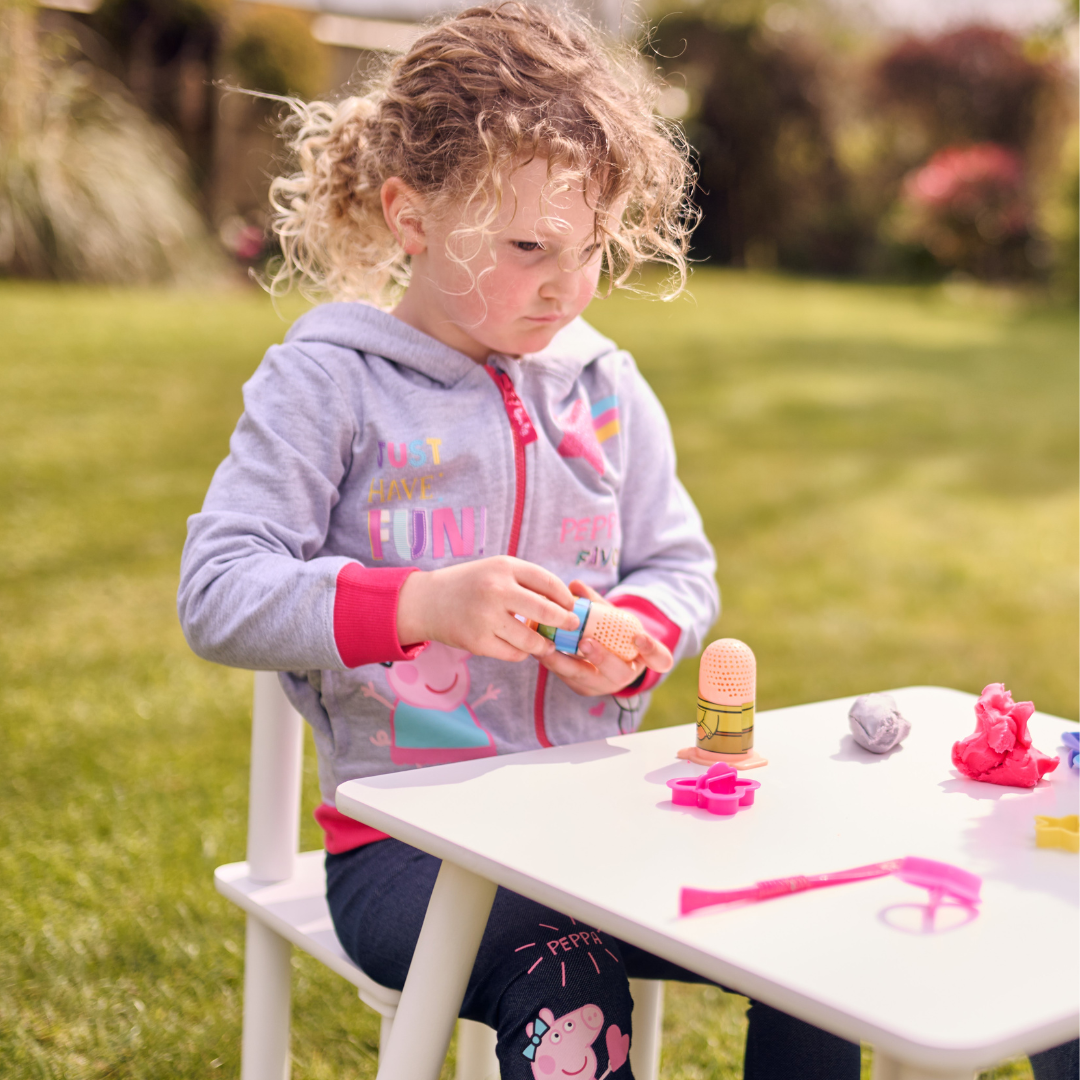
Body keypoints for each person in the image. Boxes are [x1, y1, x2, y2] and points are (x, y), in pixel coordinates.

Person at [177, 5, 1075, 1079]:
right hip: (409, 851)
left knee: (830, 925)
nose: (570, 284)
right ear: (409, 217)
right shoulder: (330, 383)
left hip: (606, 822)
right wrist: (419, 603)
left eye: (592, 245)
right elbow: (221, 591)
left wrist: (640, 630)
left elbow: (679, 569)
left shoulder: (604, 388)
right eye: (527, 249)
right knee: (569, 979)